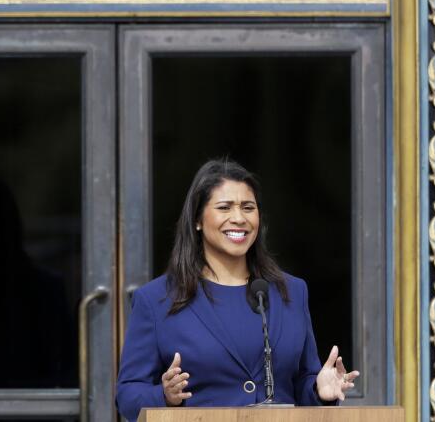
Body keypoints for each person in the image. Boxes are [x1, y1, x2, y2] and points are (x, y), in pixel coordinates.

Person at [116, 158, 359, 421]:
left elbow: (302, 379)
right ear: (197, 219)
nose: (239, 218)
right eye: (224, 207)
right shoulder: (157, 299)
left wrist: (319, 390)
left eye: (248, 207)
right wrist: (164, 396)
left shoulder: (290, 291)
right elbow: (128, 396)